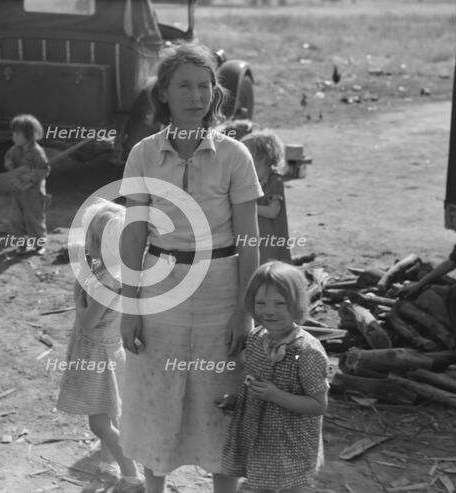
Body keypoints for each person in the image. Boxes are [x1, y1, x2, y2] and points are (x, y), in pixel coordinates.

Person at [118, 42, 262, 493]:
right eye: (184, 85)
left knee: (220, 399)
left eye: (204, 86)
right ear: (163, 92)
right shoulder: (144, 153)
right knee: (155, 395)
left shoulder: (234, 156)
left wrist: (245, 310)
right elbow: (134, 235)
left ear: (215, 94)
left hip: (222, 292)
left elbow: (249, 240)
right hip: (160, 291)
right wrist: (129, 306)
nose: (196, 96)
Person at [56, 199, 144, 492]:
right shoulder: (117, 276)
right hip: (110, 350)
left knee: (98, 422)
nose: (85, 246)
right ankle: (111, 463)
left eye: (90, 240)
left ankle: (132, 474)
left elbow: (88, 322)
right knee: (111, 412)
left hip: (97, 353)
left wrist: (77, 298)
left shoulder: (105, 282)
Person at [220, 261, 329, 493]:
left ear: (297, 304)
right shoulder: (256, 339)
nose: (269, 311)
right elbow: (251, 380)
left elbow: (318, 405)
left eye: (280, 303)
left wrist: (276, 395)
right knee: (261, 486)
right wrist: (237, 399)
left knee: (291, 488)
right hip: (261, 439)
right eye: (261, 303)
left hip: (292, 443)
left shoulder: (306, 352)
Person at [242, 130, 291, 263]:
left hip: (268, 239)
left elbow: (273, 211)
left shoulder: (274, 181)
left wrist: (248, 207)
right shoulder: (252, 180)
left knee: (266, 266)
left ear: (263, 157)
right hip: (253, 236)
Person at [4, 114, 51, 255]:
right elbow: (8, 161)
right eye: (14, 133)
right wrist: (13, 169)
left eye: (17, 134)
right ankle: (21, 244)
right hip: (18, 191)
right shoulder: (15, 150)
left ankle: (39, 244)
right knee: (15, 218)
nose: (14, 136)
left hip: (33, 192)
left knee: (34, 218)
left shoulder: (37, 151)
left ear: (28, 135)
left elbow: (44, 169)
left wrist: (30, 176)